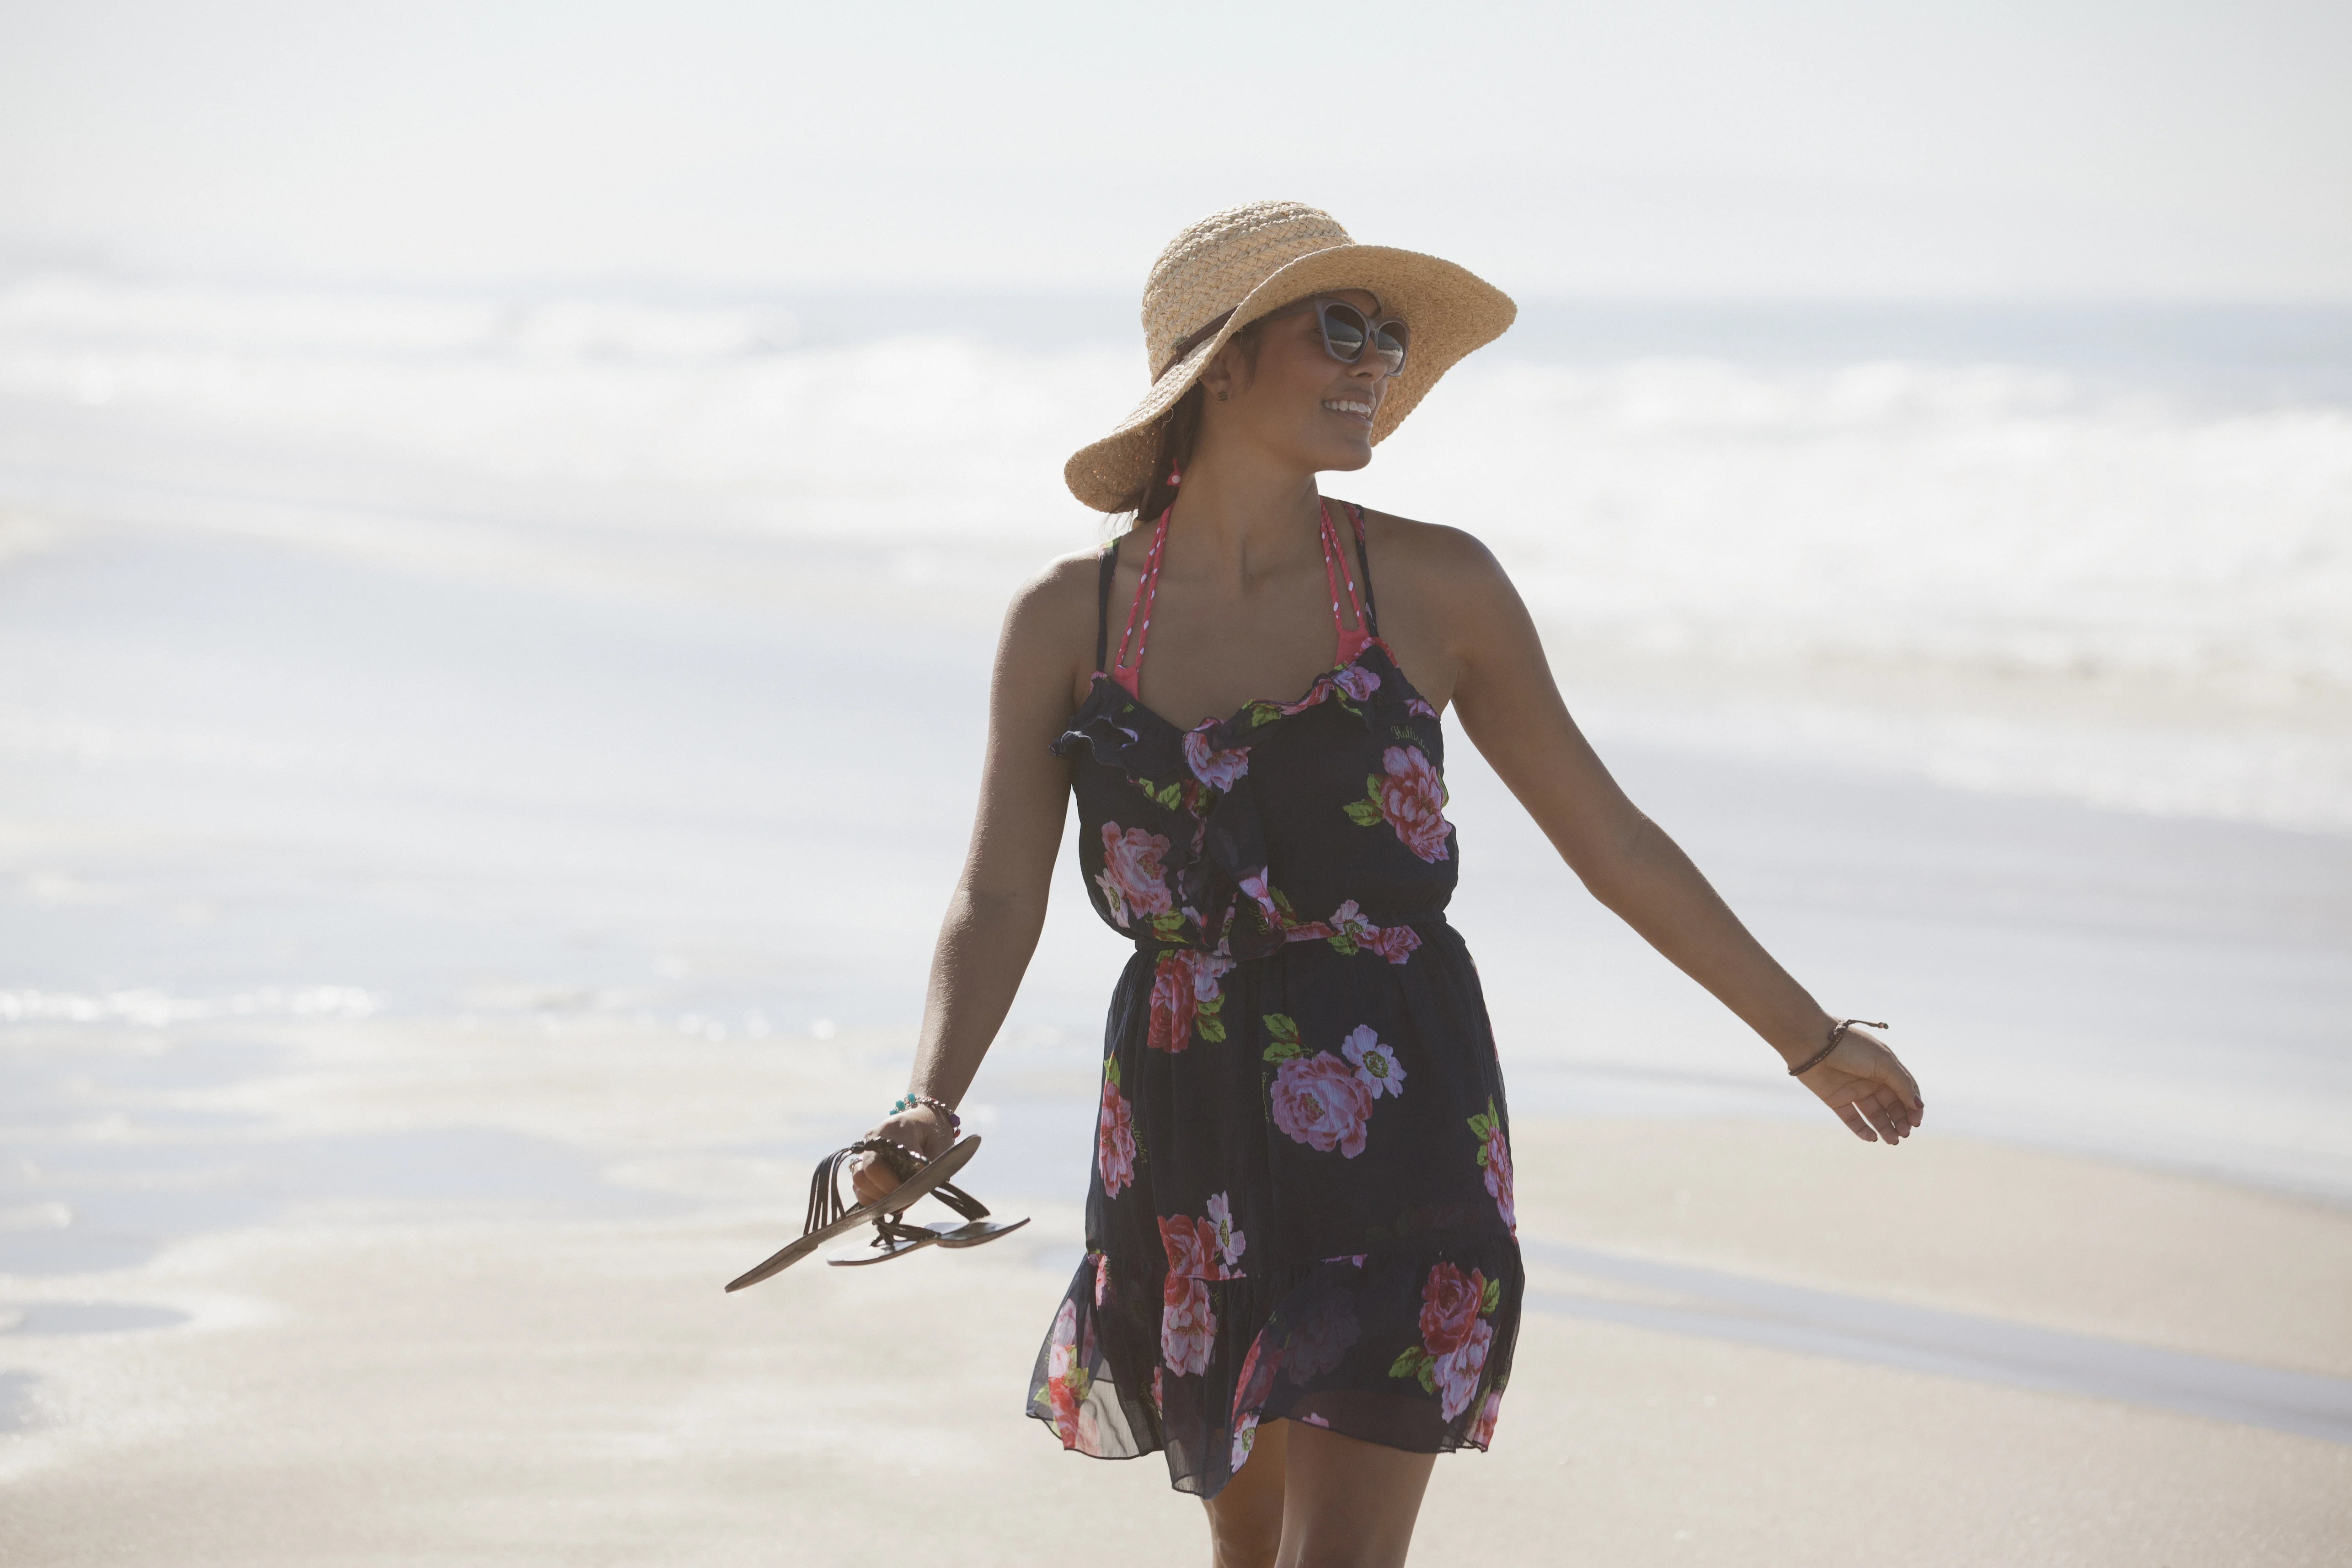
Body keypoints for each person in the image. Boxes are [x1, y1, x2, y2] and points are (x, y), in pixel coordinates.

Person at [851, 201, 1924, 1568]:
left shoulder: (1431, 584)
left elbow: (1617, 843)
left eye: (1391, 337)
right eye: (1341, 329)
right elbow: (997, 895)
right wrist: (926, 1100)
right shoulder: (1070, 616)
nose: (1378, 366)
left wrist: (1811, 1038)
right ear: (1222, 362)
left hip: (1401, 1110)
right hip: (1187, 1122)